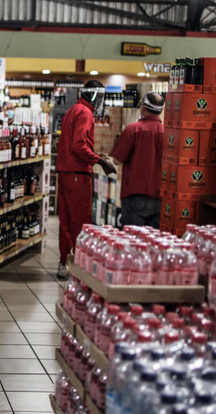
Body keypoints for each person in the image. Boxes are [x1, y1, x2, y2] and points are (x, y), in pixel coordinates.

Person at [55, 80, 116, 279]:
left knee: (65, 219)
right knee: (80, 220)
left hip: (64, 172)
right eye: (99, 97)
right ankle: (81, 263)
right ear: (94, 95)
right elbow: (79, 146)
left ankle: (64, 261)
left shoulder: (73, 110)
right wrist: (100, 161)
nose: (100, 101)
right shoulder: (86, 113)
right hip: (77, 173)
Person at [110, 92, 165, 228]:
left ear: (144, 108)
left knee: (133, 243)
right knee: (153, 244)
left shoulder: (132, 130)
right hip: (160, 198)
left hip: (135, 197)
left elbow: (116, 160)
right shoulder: (168, 133)